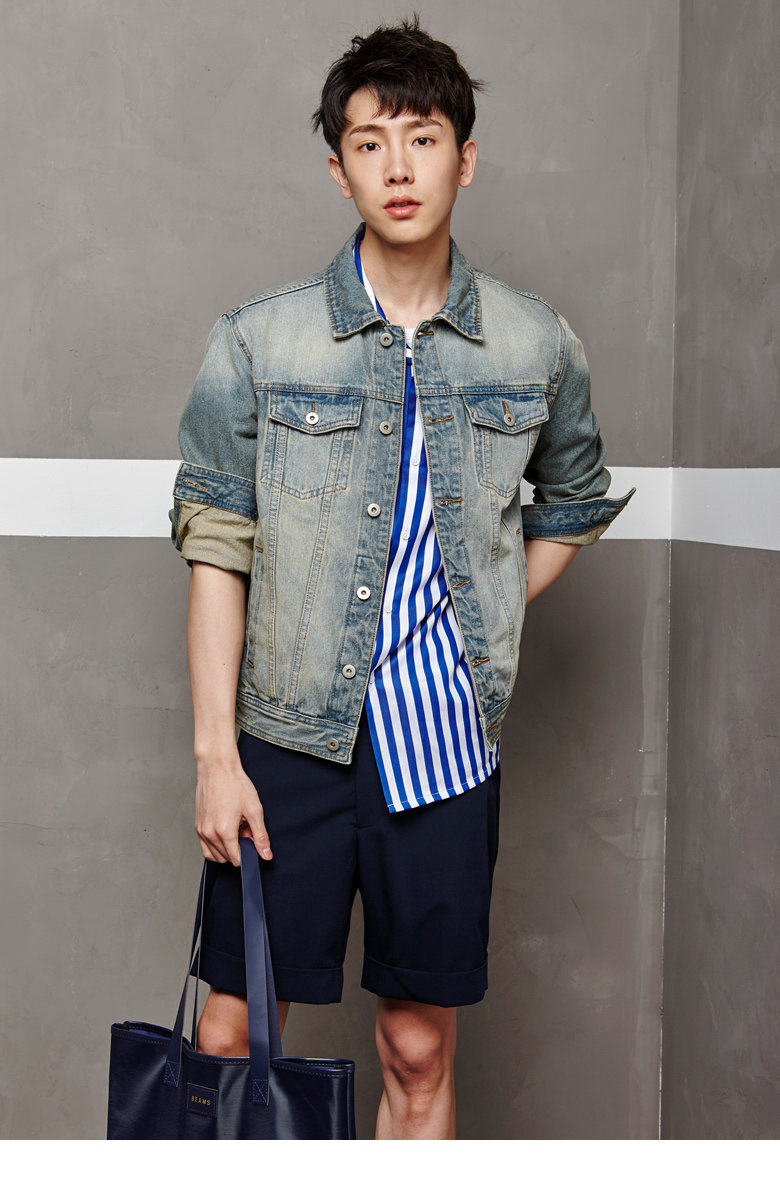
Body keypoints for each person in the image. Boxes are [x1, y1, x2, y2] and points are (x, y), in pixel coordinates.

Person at [170, 16, 632, 1140]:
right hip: (290, 743)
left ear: (465, 159)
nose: (398, 168)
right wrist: (218, 759)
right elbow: (217, 546)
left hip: (443, 748)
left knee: (417, 1048)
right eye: (370, 144)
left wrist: (479, 610)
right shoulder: (259, 342)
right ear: (339, 170)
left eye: (422, 140)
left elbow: (572, 502)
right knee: (232, 1032)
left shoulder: (536, 343)